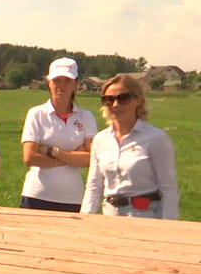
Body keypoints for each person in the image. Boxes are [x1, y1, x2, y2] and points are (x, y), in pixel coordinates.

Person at [80, 74, 179, 219]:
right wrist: (85, 220)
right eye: (109, 100)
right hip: (110, 215)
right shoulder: (100, 140)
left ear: (138, 100)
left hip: (146, 214)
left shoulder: (156, 138)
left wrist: (169, 228)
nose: (116, 105)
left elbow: (169, 189)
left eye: (123, 98)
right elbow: (94, 187)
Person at [20, 57, 97, 212]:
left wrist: (52, 151)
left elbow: (92, 159)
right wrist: (73, 157)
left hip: (72, 198)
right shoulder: (36, 114)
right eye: (57, 80)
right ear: (49, 83)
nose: (61, 85)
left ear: (76, 83)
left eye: (67, 80)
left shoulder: (86, 117)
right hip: (37, 195)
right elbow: (30, 158)